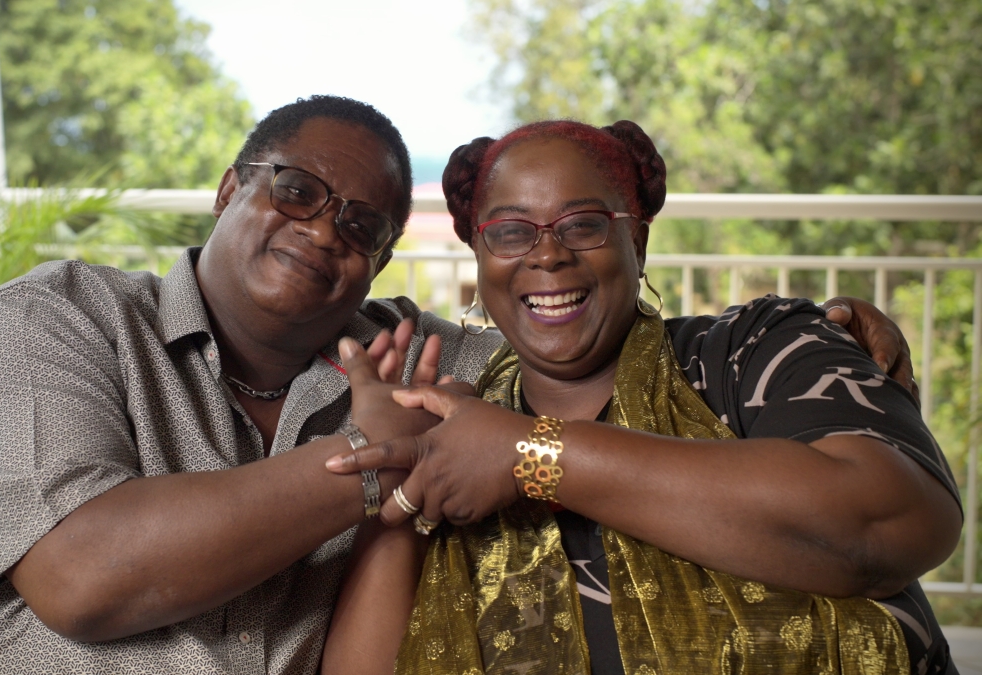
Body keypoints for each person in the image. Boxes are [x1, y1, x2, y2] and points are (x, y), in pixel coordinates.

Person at [0, 96, 913, 674]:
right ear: (230, 190)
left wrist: (796, 336)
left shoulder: (419, 361)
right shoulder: (53, 321)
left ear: (378, 265)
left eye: (362, 225)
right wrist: (374, 469)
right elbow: (84, 578)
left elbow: (567, 341)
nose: (323, 227)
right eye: (295, 188)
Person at [322, 120, 961, 675]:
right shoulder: (454, 416)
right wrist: (396, 474)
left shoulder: (751, 353)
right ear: (480, 255)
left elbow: (896, 524)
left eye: (584, 225)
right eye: (511, 232)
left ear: (639, 241)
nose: (547, 254)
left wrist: (531, 454)